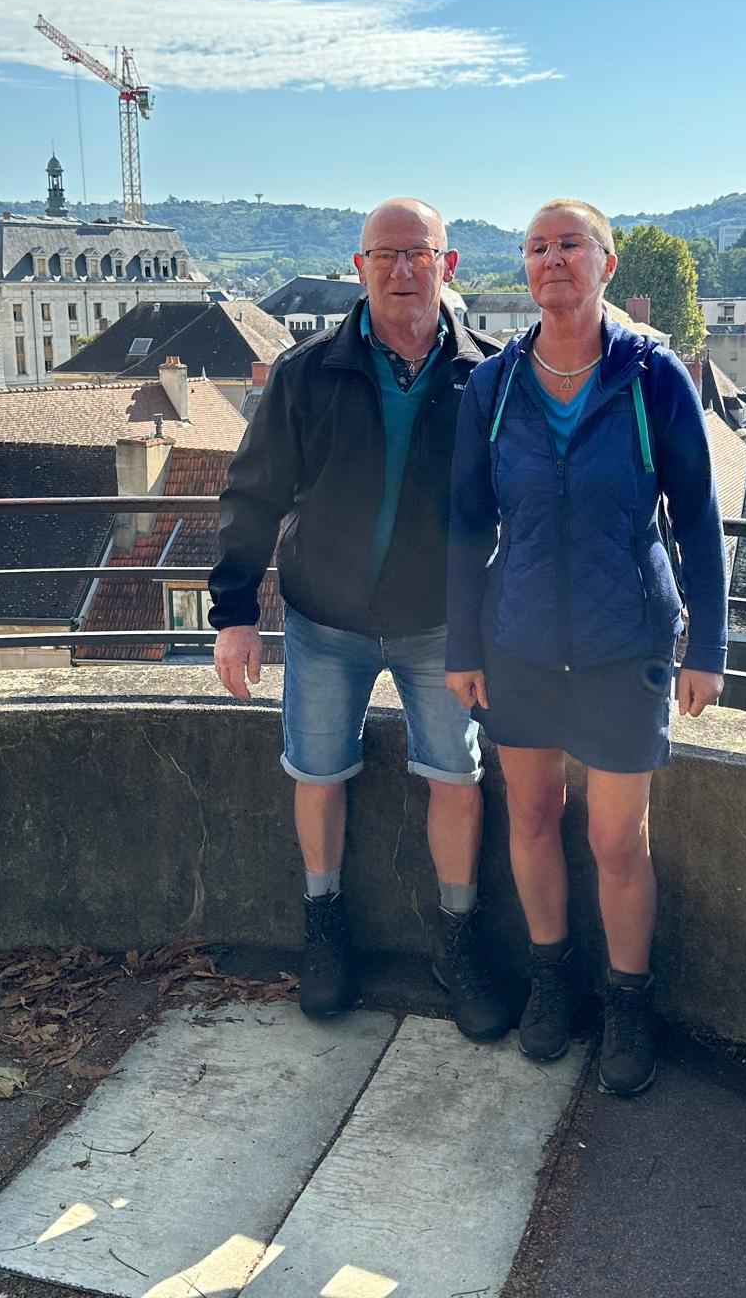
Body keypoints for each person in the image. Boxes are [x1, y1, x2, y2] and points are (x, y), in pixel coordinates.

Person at [445, 197, 728, 1095]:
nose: (552, 259)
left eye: (571, 244)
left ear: (606, 264)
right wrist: (462, 645)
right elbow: (466, 523)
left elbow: (699, 516)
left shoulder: (652, 378)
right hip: (518, 642)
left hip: (623, 643)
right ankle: (551, 977)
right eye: (537, 247)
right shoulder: (494, 387)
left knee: (617, 839)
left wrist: (708, 646)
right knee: (530, 818)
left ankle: (629, 1001)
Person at [209, 197, 509, 1040]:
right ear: (360, 267)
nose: (402, 270)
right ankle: (325, 927)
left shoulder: (489, 375)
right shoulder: (307, 372)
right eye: (385, 255)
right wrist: (234, 614)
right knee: (317, 772)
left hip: (441, 623)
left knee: (456, 778)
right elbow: (253, 494)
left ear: (448, 265)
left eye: (419, 254)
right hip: (325, 617)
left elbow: (521, 503)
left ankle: (458, 942)